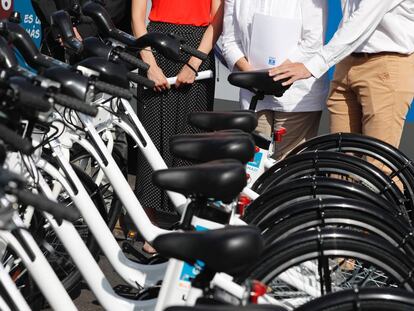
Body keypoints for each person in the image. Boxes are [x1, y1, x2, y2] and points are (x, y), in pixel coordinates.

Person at [270, 0, 414, 150]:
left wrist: (311, 66)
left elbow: (361, 21)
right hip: (346, 60)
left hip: (386, 64)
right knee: (340, 158)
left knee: (378, 161)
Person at [131, 0, 224, 214]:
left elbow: (217, 21)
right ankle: (149, 220)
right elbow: (137, 18)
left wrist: (194, 62)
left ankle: (187, 215)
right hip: (154, 47)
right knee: (152, 137)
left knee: (192, 137)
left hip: (198, 50)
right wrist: (150, 65)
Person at [222, 0, 329, 159]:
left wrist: (275, 75)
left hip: (297, 96)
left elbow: (313, 40)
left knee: (289, 166)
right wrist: (254, 76)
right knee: (253, 165)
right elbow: (229, 41)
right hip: (254, 94)